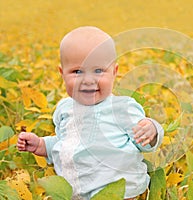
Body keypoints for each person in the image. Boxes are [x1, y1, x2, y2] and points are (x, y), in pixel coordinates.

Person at [17, 26, 164, 199]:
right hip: (76, 191)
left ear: (114, 72)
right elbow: (66, 142)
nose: (88, 80)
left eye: (98, 71)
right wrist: (42, 145)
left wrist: (152, 130)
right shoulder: (64, 109)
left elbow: (144, 142)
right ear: (62, 73)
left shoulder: (122, 108)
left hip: (118, 191)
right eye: (77, 71)